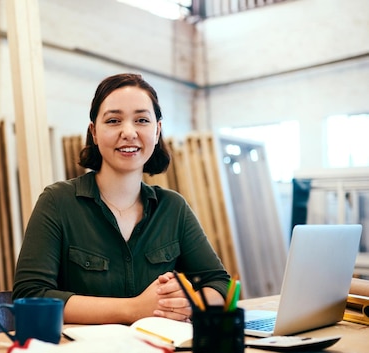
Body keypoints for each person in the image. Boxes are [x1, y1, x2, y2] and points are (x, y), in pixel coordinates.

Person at [13, 73, 230, 325]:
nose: (129, 132)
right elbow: (30, 295)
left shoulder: (173, 208)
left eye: (142, 120)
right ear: (94, 132)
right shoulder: (58, 202)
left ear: (157, 130)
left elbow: (219, 284)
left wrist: (188, 303)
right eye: (114, 120)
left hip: (161, 352)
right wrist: (134, 309)